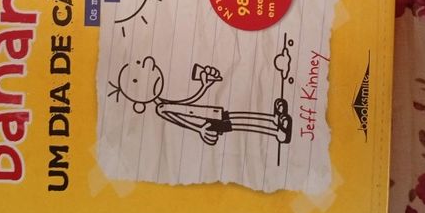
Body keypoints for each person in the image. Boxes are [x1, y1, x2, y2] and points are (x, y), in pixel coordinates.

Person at [111, 56, 291, 145]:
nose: (148, 66)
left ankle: (274, 119)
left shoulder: (164, 99)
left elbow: (190, 101)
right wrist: (200, 130)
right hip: (208, 122)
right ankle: (276, 132)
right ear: (139, 104)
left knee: (241, 116)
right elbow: (181, 120)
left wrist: (204, 85)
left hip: (211, 113)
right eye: (137, 81)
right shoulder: (161, 108)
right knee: (241, 124)